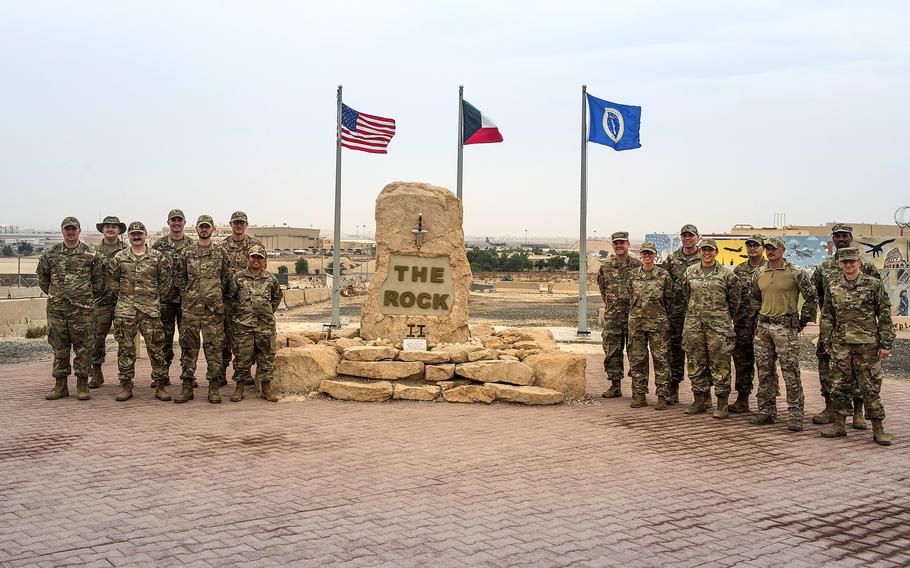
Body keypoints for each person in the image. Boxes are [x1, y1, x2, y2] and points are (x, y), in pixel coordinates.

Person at [819, 247, 895, 445]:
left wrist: (885, 343)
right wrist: (827, 341)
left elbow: (885, 315)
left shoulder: (873, 285)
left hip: (867, 346)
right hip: (841, 345)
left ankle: (878, 429)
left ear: (860, 262)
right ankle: (839, 425)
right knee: (838, 387)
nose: (849, 265)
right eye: (845, 262)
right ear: (839, 264)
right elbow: (827, 316)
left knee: (870, 388)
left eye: (852, 261)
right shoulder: (834, 286)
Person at [811, 223, 880, 428]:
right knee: (827, 368)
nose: (841, 239)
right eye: (837, 236)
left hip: (861, 331)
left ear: (851, 237)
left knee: (862, 372)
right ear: (832, 239)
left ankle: (858, 412)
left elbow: (877, 297)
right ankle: (831, 408)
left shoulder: (866, 266)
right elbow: (820, 296)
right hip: (833, 327)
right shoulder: (823, 267)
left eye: (844, 235)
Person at [748, 237, 817, 431]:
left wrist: (801, 321)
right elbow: (753, 297)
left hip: (785, 328)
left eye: (774, 248)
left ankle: (795, 415)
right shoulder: (759, 273)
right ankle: (766, 411)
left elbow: (811, 298)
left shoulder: (796, 272)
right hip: (763, 329)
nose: (771, 252)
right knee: (764, 371)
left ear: (783, 250)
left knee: (791, 372)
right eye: (768, 248)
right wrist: (758, 319)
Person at [36, 217, 102, 401]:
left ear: (79, 230)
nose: (70, 232)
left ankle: (82, 384)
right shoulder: (51, 254)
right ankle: (60, 385)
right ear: (62, 231)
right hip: (57, 310)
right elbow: (43, 278)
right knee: (60, 348)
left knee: (84, 348)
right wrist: (57, 294)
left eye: (73, 229)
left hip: (83, 311)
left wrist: (84, 297)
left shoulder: (91, 254)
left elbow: (98, 282)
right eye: (67, 229)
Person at [107, 222, 172, 402]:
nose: (136, 236)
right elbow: (112, 283)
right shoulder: (119, 258)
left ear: (145, 235)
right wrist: (123, 299)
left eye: (140, 233)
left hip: (150, 310)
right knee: (125, 349)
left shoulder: (158, 258)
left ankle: (160, 385)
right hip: (125, 311)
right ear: (128, 236)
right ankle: (126, 386)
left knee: (156, 349)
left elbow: (166, 283)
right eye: (133, 233)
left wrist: (154, 299)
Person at [174, 215, 231, 403]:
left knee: (214, 350)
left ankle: (213, 388)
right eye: (201, 227)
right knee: (188, 349)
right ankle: (187, 387)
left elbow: (226, 279)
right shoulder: (186, 253)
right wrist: (189, 296)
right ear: (196, 229)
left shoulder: (220, 253)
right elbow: (180, 278)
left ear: (212, 229)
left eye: (207, 227)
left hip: (212, 311)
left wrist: (216, 298)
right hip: (191, 309)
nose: (204, 230)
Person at [680, 238, 740, 418]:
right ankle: (699, 400)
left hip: (719, 329)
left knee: (720, 364)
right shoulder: (690, 272)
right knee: (695, 362)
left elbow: (735, 301)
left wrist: (722, 317)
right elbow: (685, 296)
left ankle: (722, 404)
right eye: (704, 250)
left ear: (716, 252)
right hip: (694, 326)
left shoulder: (727, 275)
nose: (707, 253)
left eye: (710, 250)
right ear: (700, 252)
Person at [227, 245, 283, 402]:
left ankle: (266, 389)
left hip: (264, 326)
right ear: (248, 259)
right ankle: (239, 388)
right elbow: (230, 298)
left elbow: (277, 297)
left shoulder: (271, 279)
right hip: (243, 326)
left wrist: (266, 312)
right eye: (253, 257)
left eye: (259, 257)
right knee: (241, 358)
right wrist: (240, 314)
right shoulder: (238, 278)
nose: (256, 260)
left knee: (266, 357)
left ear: (264, 260)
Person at [220, 211, 264, 388]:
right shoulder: (222, 247)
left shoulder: (256, 245)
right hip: (227, 301)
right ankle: (221, 373)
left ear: (247, 224)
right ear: (230, 224)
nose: (238, 226)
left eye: (242, 223)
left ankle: (244, 374)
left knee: (244, 340)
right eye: (236, 223)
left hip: (247, 303)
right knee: (223, 339)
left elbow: (261, 272)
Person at [151, 208, 195, 388]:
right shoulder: (159, 246)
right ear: (168, 223)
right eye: (173, 220)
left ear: (184, 222)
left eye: (179, 220)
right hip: (165, 301)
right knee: (164, 340)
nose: (176, 223)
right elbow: (152, 272)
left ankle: (188, 375)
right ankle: (162, 375)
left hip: (186, 301)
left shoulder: (192, 245)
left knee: (188, 340)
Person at [626, 242, 673, 409]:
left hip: (658, 325)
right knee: (638, 360)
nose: (647, 256)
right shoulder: (633, 275)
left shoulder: (663, 275)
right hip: (637, 324)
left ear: (655, 255)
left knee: (661, 359)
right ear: (640, 255)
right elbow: (630, 297)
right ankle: (640, 395)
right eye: (644, 253)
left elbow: (669, 300)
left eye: (650, 253)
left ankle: (662, 395)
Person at [596, 231, 641, 398]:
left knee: (636, 353)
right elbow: (603, 290)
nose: (619, 246)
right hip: (613, 317)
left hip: (634, 317)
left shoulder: (637, 266)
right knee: (612, 352)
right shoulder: (605, 267)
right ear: (613, 246)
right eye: (616, 243)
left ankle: (638, 389)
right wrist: (611, 307)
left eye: (622, 242)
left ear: (628, 244)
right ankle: (615, 386)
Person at [663, 224, 702, 405]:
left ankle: (703, 393)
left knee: (699, 353)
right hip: (676, 314)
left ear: (697, 237)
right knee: (675, 352)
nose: (687, 238)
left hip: (697, 314)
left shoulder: (704, 257)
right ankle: (673, 389)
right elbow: (663, 284)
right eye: (684, 236)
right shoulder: (672, 259)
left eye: (691, 236)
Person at [729, 235, 767, 413]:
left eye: (756, 245)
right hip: (743, 323)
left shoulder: (770, 269)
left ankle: (767, 403)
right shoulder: (739, 270)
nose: (752, 248)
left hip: (764, 325)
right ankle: (742, 398)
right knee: (742, 362)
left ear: (763, 248)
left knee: (765, 364)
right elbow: (733, 296)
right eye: (749, 246)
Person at [89, 215, 128, 388]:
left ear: (119, 230)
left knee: (124, 340)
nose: (110, 229)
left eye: (114, 226)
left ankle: (125, 376)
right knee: (97, 338)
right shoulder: (93, 252)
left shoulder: (128, 250)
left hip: (123, 301)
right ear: (102, 230)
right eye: (107, 226)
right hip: (101, 302)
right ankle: (96, 373)